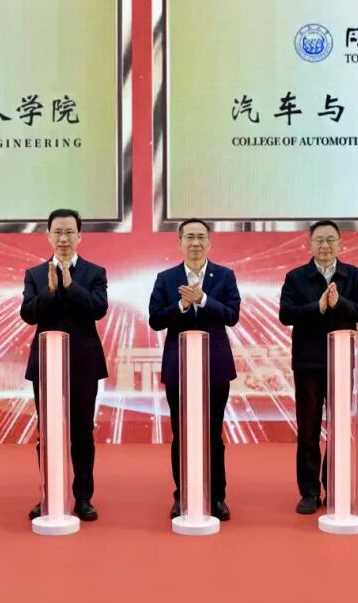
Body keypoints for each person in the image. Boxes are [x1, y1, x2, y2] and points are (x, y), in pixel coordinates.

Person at [278, 220, 358, 514]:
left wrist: (339, 302)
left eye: (330, 239)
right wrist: (317, 307)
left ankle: (334, 487)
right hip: (308, 363)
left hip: (341, 362)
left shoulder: (353, 275)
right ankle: (309, 492)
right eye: (319, 240)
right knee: (308, 429)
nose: (325, 245)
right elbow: (286, 314)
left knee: (339, 428)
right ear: (309, 244)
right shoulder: (296, 277)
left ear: (340, 243)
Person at [149, 218, 240, 521]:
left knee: (213, 434)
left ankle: (216, 496)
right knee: (182, 434)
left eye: (201, 237)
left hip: (215, 367)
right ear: (179, 242)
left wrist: (203, 299)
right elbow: (155, 319)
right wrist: (181, 306)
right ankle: (183, 494)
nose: (196, 242)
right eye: (189, 237)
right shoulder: (166, 278)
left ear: (209, 242)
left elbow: (231, 315)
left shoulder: (224, 276)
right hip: (179, 368)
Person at [21, 209, 108, 522]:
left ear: (79, 236)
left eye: (69, 232)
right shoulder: (35, 274)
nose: (63, 238)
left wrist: (71, 286)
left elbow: (98, 309)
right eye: (57, 232)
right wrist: (50, 291)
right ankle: (49, 494)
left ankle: (83, 497)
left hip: (83, 364)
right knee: (47, 433)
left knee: (82, 432)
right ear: (48, 236)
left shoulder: (95, 272)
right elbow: (28, 314)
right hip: (46, 365)